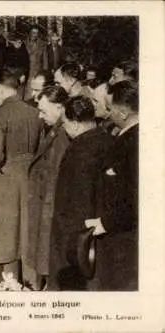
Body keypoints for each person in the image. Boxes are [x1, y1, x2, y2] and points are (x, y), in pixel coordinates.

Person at [0, 68, 43, 283]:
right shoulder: (35, 112)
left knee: (5, 228)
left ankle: (8, 276)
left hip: (5, 177)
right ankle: (31, 277)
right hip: (29, 176)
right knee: (27, 225)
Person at [48, 95, 114, 291]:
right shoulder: (109, 140)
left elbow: (75, 199)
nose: (64, 128)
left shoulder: (78, 151)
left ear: (75, 124)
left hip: (77, 234)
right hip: (100, 228)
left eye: (65, 123)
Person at [85, 81, 138, 291]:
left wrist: (105, 223)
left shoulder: (130, 143)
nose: (106, 112)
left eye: (109, 108)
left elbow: (133, 196)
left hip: (121, 238)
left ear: (123, 112)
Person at [25, 86, 71, 291]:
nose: (40, 116)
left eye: (44, 111)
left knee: (47, 252)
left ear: (60, 107)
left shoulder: (63, 135)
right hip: (43, 198)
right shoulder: (55, 128)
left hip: (49, 203)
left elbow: (56, 174)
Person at [24, 26, 48, 100]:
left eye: (37, 33)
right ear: (30, 33)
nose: (35, 34)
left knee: (34, 88)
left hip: (36, 70)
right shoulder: (24, 42)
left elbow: (45, 59)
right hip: (25, 69)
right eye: (33, 32)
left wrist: (44, 71)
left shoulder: (43, 44)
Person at [4, 32, 30, 100]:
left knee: (19, 96)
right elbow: (5, 64)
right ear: (13, 42)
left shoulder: (24, 51)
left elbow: (26, 65)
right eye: (17, 42)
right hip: (10, 76)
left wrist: (24, 75)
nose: (19, 44)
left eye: (20, 42)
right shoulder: (8, 50)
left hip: (21, 76)